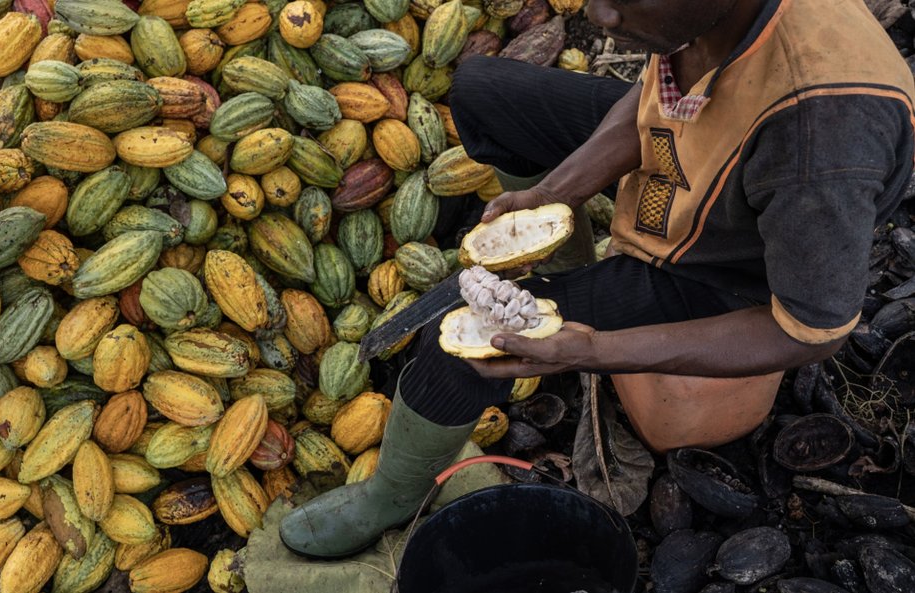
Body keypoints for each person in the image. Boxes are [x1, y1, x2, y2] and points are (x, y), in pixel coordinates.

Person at [281, 0, 915, 558]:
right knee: (482, 92)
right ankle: (563, 261)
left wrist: (593, 351)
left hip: (721, 266)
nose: (600, 15)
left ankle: (390, 495)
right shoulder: (705, 17)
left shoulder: (819, 136)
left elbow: (810, 331)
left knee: (455, 350)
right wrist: (552, 196)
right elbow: (649, 109)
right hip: (686, 173)